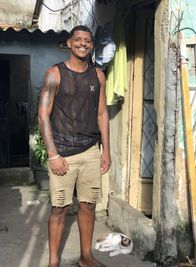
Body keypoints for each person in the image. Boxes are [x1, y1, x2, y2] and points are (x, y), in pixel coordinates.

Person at [38, 25, 111, 267]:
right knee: (59, 208)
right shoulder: (54, 74)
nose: (83, 43)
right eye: (77, 39)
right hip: (63, 154)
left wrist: (106, 152)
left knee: (88, 205)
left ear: (92, 45)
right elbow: (43, 115)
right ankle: (53, 262)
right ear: (69, 43)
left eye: (87, 40)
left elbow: (102, 114)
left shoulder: (98, 76)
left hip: (91, 150)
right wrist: (52, 154)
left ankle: (86, 256)